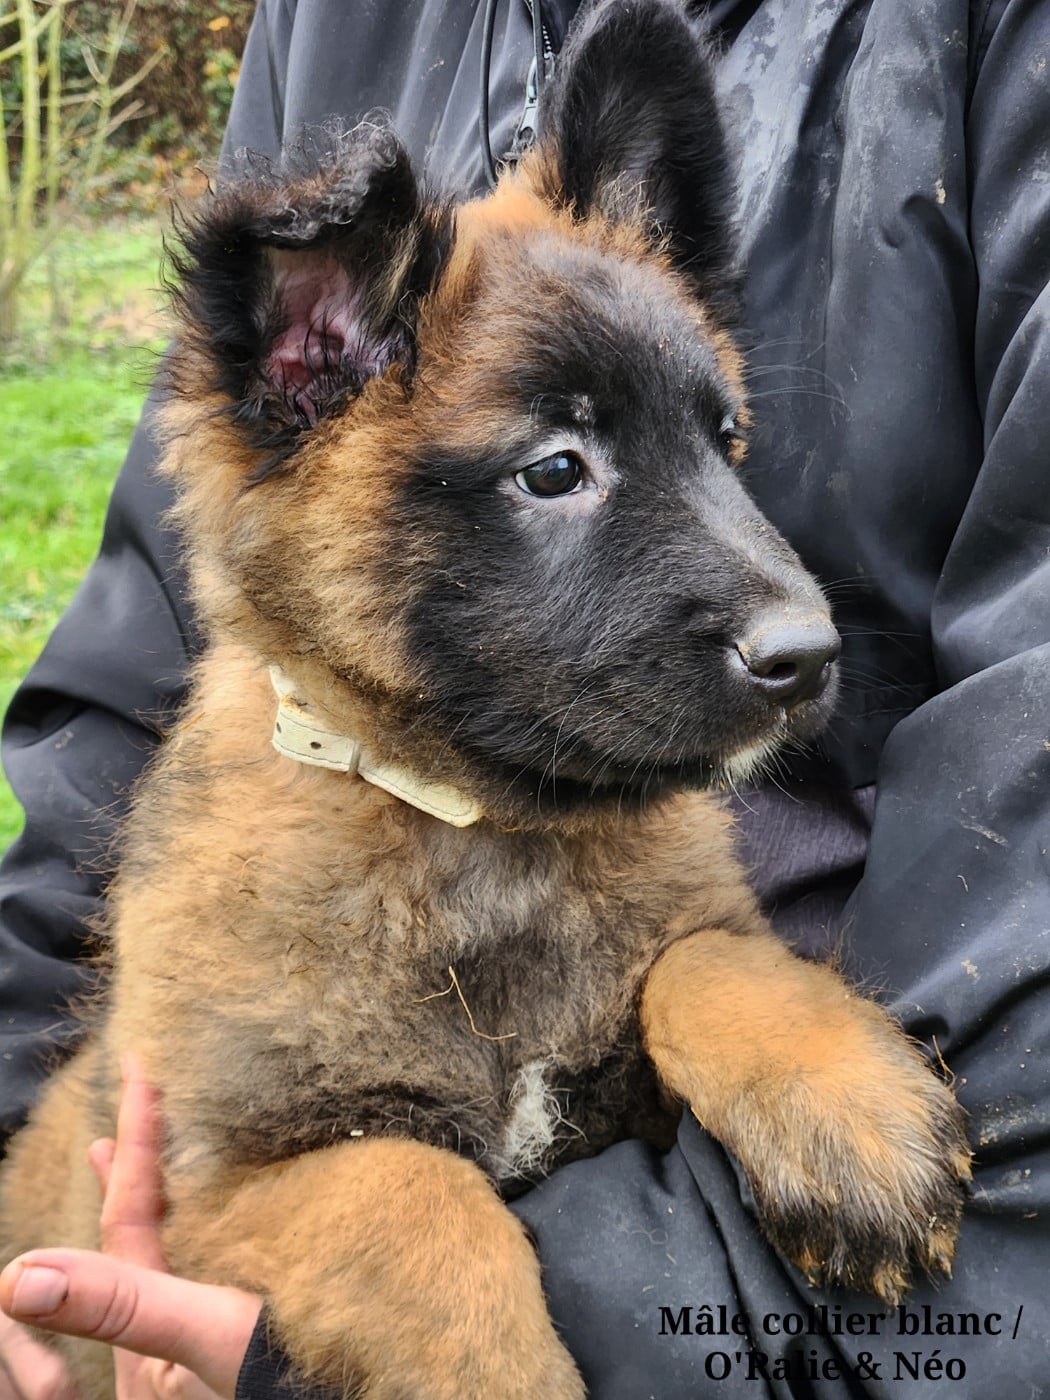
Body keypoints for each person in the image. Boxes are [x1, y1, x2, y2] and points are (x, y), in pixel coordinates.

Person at [2, 0, 1049, 1395]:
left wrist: (737, 1007)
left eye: (715, 443)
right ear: (307, 371)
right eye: (555, 472)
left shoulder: (648, 815)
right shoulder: (233, 884)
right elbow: (229, 1176)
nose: (780, 605)